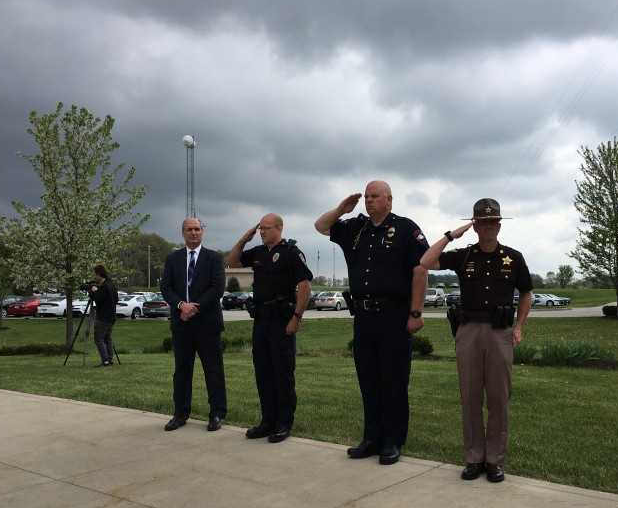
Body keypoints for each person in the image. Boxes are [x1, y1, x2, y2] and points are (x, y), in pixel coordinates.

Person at [315, 180, 429, 465]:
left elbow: (420, 271)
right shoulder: (355, 227)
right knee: (368, 379)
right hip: (364, 317)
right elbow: (320, 226)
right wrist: (343, 207)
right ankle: (372, 438)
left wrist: (416, 313)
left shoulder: (405, 228)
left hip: (394, 316)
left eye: (374, 196)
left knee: (393, 380)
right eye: (366, 196)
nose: (368, 200)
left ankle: (392, 440)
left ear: (389, 200)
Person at [420, 198, 532, 483]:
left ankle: (494, 461)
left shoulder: (514, 257)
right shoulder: (464, 255)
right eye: (482, 222)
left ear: (499, 225)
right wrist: (450, 235)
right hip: (468, 331)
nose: (488, 227)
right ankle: (474, 458)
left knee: (498, 399)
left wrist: (519, 327)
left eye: (493, 221)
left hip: (499, 333)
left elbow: (527, 293)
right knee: (470, 397)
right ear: (474, 225)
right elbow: (425, 261)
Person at [227, 214, 313, 443]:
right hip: (261, 322)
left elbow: (305, 286)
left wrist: (297, 318)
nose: (262, 232)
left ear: (278, 228)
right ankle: (268, 421)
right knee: (263, 373)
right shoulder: (258, 252)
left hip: (282, 322)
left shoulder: (290, 253)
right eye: (260, 228)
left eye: (266, 228)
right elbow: (232, 261)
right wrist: (245, 238)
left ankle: (284, 423)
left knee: (282, 373)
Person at [160, 217, 228, 432]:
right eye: (189, 229)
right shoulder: (173, 259)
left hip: (207, 324)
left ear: (202, 232)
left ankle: (216, 414)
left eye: (197, 229)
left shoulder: (214, 258)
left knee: (213, 371)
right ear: (182, 233)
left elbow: (217, 288)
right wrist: (181, 306)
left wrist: (193, 309)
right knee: (181, 371)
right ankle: (180, 414)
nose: (193, 233)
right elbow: (166, 288)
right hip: (181, 325)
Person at [90, 264, 119, 367]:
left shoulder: (104, 286)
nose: (94, 276)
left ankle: (105, 360)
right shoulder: (112, 285)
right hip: (111, 316)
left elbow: (98, 300)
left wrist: (94, 292)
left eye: (95, 274)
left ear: (99, 274)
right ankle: (110, 360)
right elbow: (116, 299)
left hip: (103, 317)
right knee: (108, 339)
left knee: (98, 338)